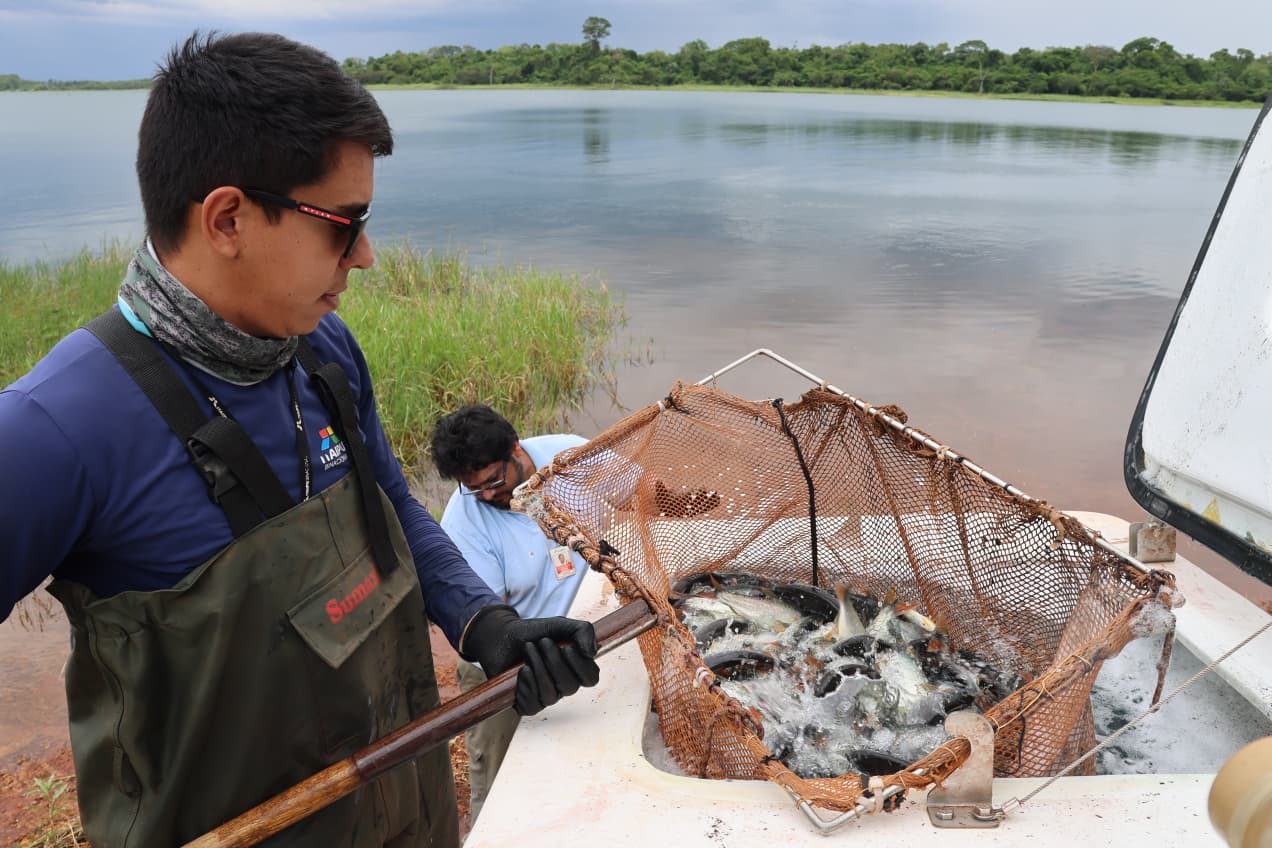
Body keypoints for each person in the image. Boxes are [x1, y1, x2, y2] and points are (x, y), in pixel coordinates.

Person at [0, 32, 599, 848]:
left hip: (401, 796)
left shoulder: (322, 352)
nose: (367, 257)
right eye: (342, 225)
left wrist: (484, 626)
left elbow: (386, 501)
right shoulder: (53, 431)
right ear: (228, 218)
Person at [429, 405, 590, 824]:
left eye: (493, 481)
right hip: (499, 664)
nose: (486, 495)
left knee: (575, 766)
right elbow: (488, 623)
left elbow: (641, 493)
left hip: (581, 640)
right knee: (499, 791)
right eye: (473, 487)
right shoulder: (464, 525)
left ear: (516, 450)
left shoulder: (574, 457)